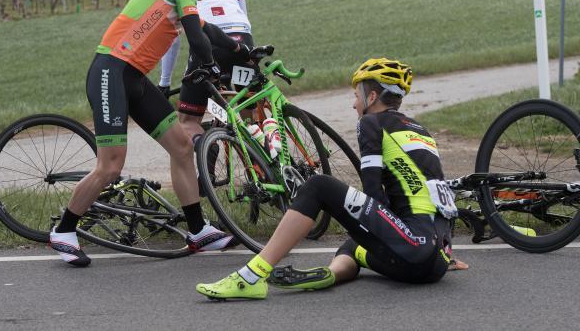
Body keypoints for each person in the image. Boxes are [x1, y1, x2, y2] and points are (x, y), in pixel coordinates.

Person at [50, 0, 249, 267]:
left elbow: (208, 32)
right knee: (111, 166)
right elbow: (198, 40)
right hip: (111, 73)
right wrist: (210, 64)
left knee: (182, 147)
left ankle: (198, 230)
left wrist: (240, 50)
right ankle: (64, 230)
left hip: (135, 79)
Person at [196, 58, 457, 300]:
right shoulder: (420, 131)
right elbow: (436, 198)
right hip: (436, 262)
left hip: (413, 251)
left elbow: (373, 192)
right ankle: (331, 273)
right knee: (354, 244)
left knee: (319, 186)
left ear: (373, 96)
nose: (354, 104)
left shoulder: (371, 123)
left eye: (356, 96)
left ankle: (251, 277)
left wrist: (347, 209)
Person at [157, 0, 254, 143]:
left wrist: (164, 82)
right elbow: (243, 13)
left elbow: (173, 35)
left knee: (188, 119)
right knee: (250, 107)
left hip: (210, 40)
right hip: (241, 35)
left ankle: (207, 146)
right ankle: (265, 157)